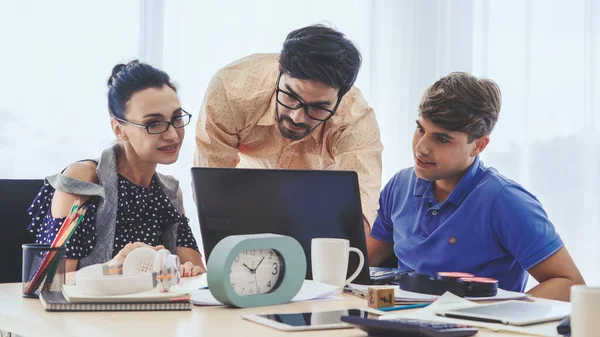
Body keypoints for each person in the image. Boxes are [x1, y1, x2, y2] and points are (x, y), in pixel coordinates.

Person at [367, 72, 584, 301]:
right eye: (420, 129)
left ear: (478, 145)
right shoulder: (400, 185)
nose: (421, 147)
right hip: (401, 321)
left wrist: (496, 313)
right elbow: (362, 263)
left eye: (441, 139)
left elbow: (569, 284)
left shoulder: (505, 200)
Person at [194, 25, 383, 232]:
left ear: (342, 96)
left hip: (313, 206)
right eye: (291, 96)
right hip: (244, 196)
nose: (297, 117)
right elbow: (212, 189)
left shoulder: (355, 119)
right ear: (279, 69)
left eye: (318, 107)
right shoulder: (231, 90)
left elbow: (360, 204)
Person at [27, 60, 206, 277]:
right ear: (119, 129)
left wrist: (186, 270)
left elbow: (199, 276)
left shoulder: (169, 192)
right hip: (88, 311)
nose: (172, 134)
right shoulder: (83, 180)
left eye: (176, 118)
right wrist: (113, 269)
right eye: (154, 123)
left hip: (149, 310)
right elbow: (50, 280)